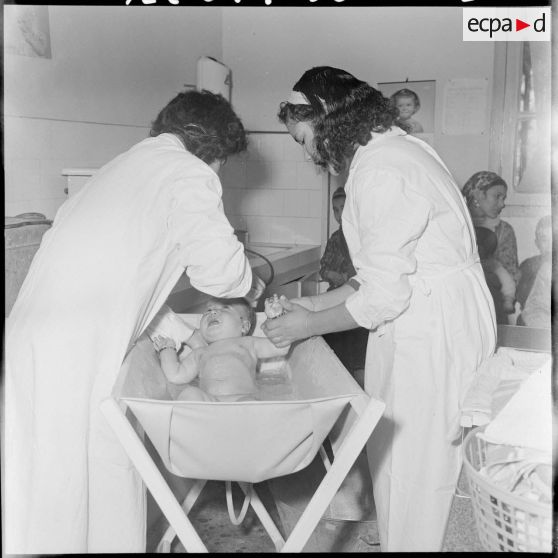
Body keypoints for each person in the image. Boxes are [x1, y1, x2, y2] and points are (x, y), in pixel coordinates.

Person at [4, 89, 266, 554]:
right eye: (223, 162)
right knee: (73, 478)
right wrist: (251, 282)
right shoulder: (189, 172)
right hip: (74, 346)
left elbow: (129, 286)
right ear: (215, 151)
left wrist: (188, 338)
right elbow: (222, 273)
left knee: (67, 471)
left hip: (39, 335)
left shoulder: (121, 167)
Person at [262, 66, 496, 552]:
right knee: (407, 458)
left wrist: (308, 324)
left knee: (416, 466)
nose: (307, 153)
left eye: (304, 138)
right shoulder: (395, 150)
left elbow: (385, 295)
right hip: (432, 310)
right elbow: (378, 276)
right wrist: (314, 303)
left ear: (326, 117)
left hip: (430, 327)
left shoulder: (380, 169)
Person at [151, 297, 289, 402]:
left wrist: (277, 317)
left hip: (243, 400)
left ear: (244, 326)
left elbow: (280, 347)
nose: (213, 312)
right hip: (210, 403)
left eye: (225, 308)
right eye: (208, 311)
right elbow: (176, 375)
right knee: (190, 394)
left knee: (257, 406)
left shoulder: (248, 343)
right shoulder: (200, 352)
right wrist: (167, 349)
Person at [319, 186, 368, 386]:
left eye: (343, 208)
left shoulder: (363, 237)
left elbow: (367, 273)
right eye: (335, 210)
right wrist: (331, 274)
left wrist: (348, 276)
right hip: (337, 297)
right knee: (334, 345)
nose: (339, 214)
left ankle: (359, 378)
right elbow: (323, 268)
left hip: (358, 298)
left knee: (359, 347)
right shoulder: (335, 238)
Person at [462, 171, 520, 286]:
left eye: (503, 198)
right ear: (477, 196)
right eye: (497, 196)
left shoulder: (503, 230)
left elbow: (511, 275)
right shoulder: (458, 225)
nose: (503, 204)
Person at [475, 225, 517, 322]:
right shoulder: (468, 266)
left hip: (494, 305)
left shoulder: (492, 264)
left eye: (480, 246)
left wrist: (508, 300)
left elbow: (507, 282)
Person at [516, 215, 552, 311]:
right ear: (537, 243)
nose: (550, 245)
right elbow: (521, 297)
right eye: (544, 240)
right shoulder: (528, 266)